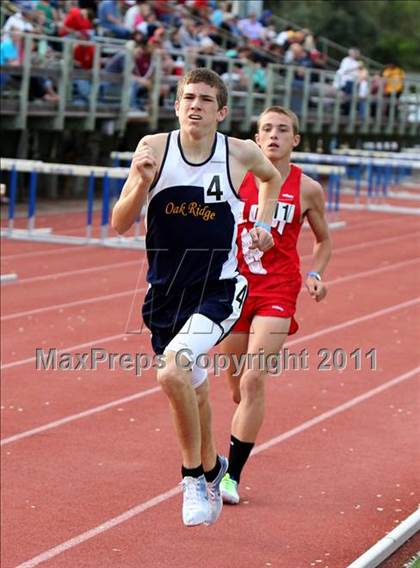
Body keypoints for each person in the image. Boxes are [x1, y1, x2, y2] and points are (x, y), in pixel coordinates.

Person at [111, 68, 282, 527]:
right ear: (176, 105)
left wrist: (262, 224)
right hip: (164, 293)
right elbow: (119, 222)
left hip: (220, 288)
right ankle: (213, 467)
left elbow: (271, 179)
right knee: (194, 391)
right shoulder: (153, 148)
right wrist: (142, 184)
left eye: (206, 99)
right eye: (188, 97)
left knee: (172, 372)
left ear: (222, 111)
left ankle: (191, 477)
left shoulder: (239, 152)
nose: (196, 105)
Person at [218, 106, 332, 505]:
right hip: (233, 288)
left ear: (295, 140)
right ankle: (244, 420)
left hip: (278, 292)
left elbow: (323, 241)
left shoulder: (307, 188)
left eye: (283, 129)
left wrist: (316, 275)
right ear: (256, 135)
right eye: (266, 128)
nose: (273, 135)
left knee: (253, 380)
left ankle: (230, 477)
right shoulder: (237, 178)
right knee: (235, 387)